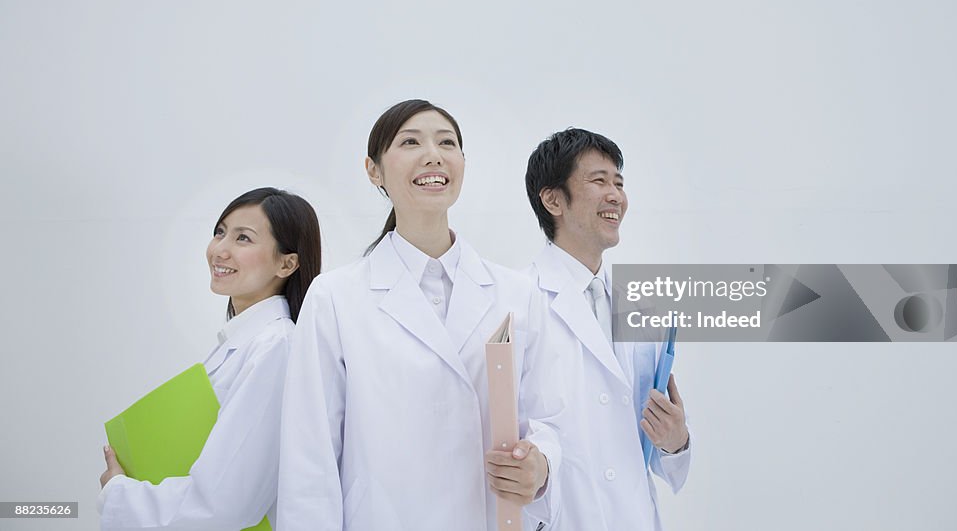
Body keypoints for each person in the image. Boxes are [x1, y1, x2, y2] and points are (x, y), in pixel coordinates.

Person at [276, 99, 562, 531]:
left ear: (462, 163)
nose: (433, 154)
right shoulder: (336, 297)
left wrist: (541, 465)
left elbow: (551, 418)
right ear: (374, 170)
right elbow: (308, 460)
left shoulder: (517, 294)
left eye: (447, 142)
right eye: (410, 141)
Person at [98, 187, 322, 530]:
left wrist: (120, 493)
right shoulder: (246, 342)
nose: (220, 250)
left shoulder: (276, 347)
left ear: (287, 263)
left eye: (243, 238)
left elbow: (226, 503)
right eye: (220, 232)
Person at [524, 128, 691, 530]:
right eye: (598, 181)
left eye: (619, 182)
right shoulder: (517, 302)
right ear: (553, 200)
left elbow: (655, 452)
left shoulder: (642, 308)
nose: (616, 195)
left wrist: (675, 441)